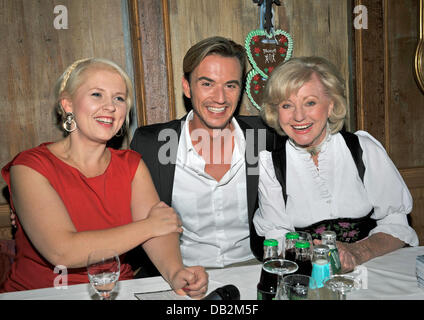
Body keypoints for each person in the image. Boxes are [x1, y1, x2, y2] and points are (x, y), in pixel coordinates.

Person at [0, 58, 208, 296]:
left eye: (119, 98)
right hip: (42, 292)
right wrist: (149, 226)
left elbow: (160, 233)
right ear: (68, 105)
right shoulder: (29, 166)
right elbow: (62, 252)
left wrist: (175, 273)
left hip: (117, 291)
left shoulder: (131, 164)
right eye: (97, 94)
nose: (110, 106)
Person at [129, 36, 281, 276]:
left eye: (230, 85)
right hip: (180, 273)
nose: (220, 98)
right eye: (207, 84)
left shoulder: (265, 136)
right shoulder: (151, 144)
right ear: (187, 87)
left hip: (254, 270)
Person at [253, 56, 419, 272]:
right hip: (308, 274)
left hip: (374, 269)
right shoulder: (271, 166)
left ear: (330, 105)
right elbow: (275, 235)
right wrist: (315, 256)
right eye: (287, 105)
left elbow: (397, 222)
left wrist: (358, 252)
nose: (299, 116)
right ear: (276, 112)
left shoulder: (363, 149)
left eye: (310, 102)